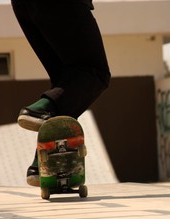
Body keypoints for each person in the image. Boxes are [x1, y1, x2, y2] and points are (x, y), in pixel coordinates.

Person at [11, 0, 111, 186]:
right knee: (95, 73)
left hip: (23, 5)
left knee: (68, 83)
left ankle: (46, 163)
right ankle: (39, 110)